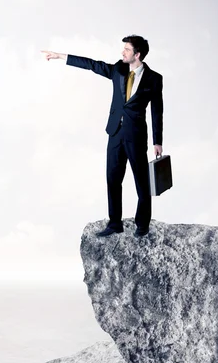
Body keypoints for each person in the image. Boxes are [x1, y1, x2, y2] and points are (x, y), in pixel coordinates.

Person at [41, 35, 163, 237]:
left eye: (126, 49)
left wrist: (158, 141)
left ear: (137, 54)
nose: (122, 52)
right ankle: (115, 223)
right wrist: (60, 56)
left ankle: (143, 224)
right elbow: (92, 65)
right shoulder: (118, 69)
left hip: (136, 136)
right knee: (113, 179)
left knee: (142, 182)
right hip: (115, 133)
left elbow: (157, 110)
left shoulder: (154, 79)